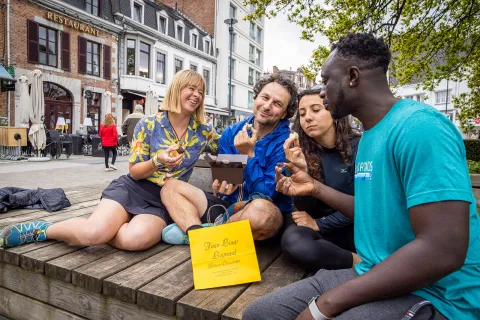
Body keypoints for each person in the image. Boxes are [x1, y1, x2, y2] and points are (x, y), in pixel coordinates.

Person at [243, 33, 480, 320]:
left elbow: (444, 250)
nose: (322, 91)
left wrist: (326, 305)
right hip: (373, 270)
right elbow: (373, 212)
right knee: (261, 313)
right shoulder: (371, 136)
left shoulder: (420, 128)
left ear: (352, 76)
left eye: (326, 80)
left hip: (440, 293)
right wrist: (314, 188)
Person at [0, 70, 219, 251]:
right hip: (134, 187)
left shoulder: (203, 132)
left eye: (201, 91)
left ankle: (111, 227)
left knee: (135, 241)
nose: (196, 95)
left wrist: (249, 138)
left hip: (164, 201)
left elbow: (229, 147)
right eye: (191, 88)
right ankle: (42, 230)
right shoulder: (149, 124)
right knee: (93, 233)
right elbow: (134, 171)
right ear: (177, 89)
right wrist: (157, 161)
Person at [160, 74, 299, 244]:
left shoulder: (287, 143)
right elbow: (227, 182)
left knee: (261, 212)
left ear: (285, 112)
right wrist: (223, 184)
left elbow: (264, 195)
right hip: (228, 211)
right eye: (265, 97)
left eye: (277, 104)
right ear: (256, 97)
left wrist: (249, 155)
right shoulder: (232, 132)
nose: (267, 106)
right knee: (170, 188)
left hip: (260, 216)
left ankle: (203, 234)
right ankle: (200, 236)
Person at [281, 87, 361, 271]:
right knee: (293, 240)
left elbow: (366, 206)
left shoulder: (361, 147)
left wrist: (320, 223)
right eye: (302, 114)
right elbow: (305, 209)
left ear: (334, 111)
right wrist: (301, 171)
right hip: (323, 234)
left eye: (316, 110)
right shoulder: (301, 152)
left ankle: (361, 263)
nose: (307, 117)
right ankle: (357, 262)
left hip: (356, 228)